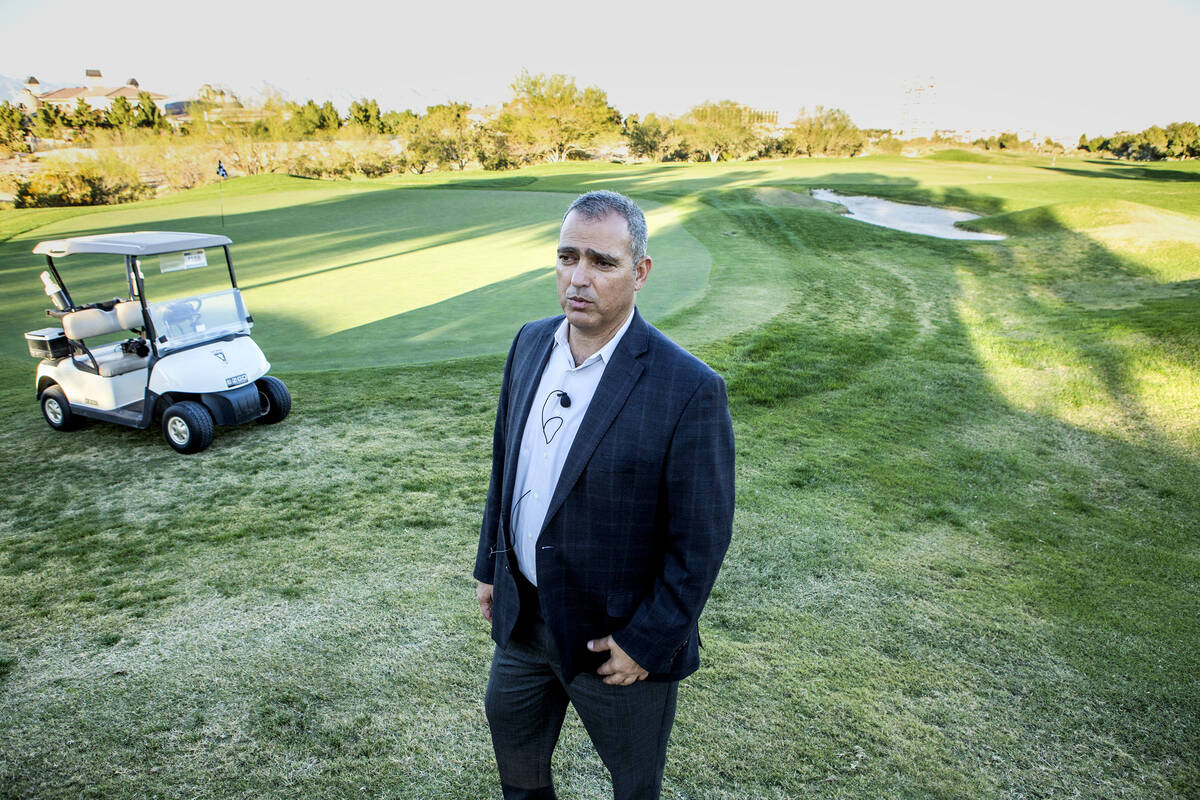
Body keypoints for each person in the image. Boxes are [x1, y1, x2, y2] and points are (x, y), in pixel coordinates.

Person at [474, 190, 735, 800]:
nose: (579, 278)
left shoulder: (689, 388)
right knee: (519, 774)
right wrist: (491, 565)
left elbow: (701, 538)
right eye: (568, 257)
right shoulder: (529, 343)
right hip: (523, 621)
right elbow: (504, 467)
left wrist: (645, 641)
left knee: (633, 787)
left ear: (639, 272)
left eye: (603, 262)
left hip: (612, 643)